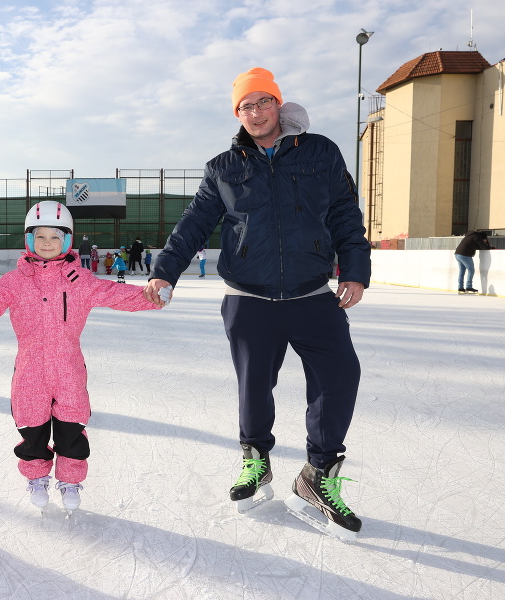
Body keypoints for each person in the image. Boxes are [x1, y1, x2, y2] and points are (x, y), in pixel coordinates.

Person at [144, 67, 371, 541]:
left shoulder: (320, 152)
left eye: (263, 101)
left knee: (340, 375)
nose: (255, 112)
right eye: (246, 106)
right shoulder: (224, 167)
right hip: (249, 297)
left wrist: (354, 269)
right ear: (238, 114)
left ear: (278, 104)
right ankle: (255, 461)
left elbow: (346, 213)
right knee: (253, 385)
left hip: (312, 293)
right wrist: (165, 271)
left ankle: (318, 475)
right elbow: (193, 223)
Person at [0, 201, 161, 513]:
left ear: (67, 241)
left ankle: (70, 480)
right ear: (29, 240)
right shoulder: (14, 281)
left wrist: (152, 296)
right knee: (32, 429)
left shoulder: (80, 280)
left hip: (69, 370)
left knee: (71, 430)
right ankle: (37, 477)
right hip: (30, 371)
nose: (48, 244)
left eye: (55, 237)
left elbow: (117, 294)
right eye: (40, 237)